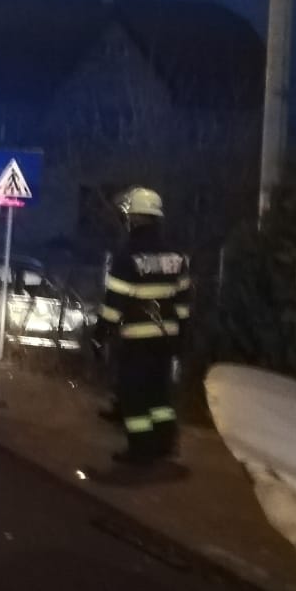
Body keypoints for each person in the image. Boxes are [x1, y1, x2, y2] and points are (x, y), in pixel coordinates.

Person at [91, 186, 190, 465]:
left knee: (133, 394)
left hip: (136, 339)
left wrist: (100, 335)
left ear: (133, 218)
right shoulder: (176, 256)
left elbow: (114, 304)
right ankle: (165, 443)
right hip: (166, 338)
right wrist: (182, 336)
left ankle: (141, 449)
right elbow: (183, 302)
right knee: (159, 393)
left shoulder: (127, 256)